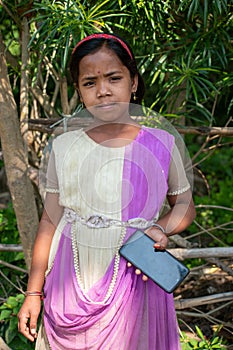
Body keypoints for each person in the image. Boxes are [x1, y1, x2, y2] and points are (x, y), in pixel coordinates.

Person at [18, 33, 196, 349]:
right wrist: (34, 292)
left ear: (134, 81)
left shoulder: (161, 144)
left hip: (137, 276)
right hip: (69, 281)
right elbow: (49, 221)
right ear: (79, 91)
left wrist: (160, 228)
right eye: (90, 83)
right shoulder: (65, 146)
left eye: (114, 78)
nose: (103, 91)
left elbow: (184, 204)